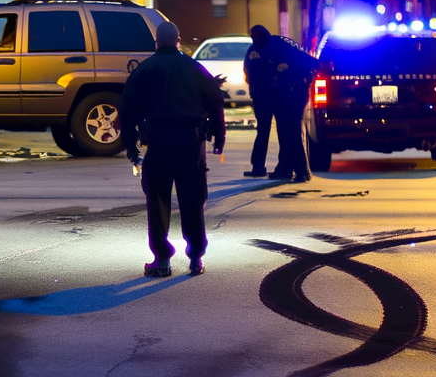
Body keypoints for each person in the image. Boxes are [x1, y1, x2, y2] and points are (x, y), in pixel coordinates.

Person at [119, 20, 225, 277]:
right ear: (178, 41)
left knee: (157, 200)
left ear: (156, 42)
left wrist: (132, 150)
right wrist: (219, 139)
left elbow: (127, 111)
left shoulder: (145, 69)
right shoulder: (195, 68)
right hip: (191, 142)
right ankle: (195, 258)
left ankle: (162, 260)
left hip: (159, 141)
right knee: (192, 200)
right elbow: (215, 103)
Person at [244, 24, 319, 183]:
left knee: (292, 131)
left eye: (257, 36)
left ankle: (301, 171)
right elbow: (253, 74)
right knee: (285, 132)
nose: (254, 39)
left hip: (293, 93)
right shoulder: (255, 51)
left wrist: (298, 85)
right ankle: (285, 168)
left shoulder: (281, 45)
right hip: (277, 96)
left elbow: (312, 64)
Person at [242, 25, 276, 178]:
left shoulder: (252, 51)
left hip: (262, 95)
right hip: (268, 95)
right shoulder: (267, 49)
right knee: (265, 131)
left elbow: (247, 72)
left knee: (263, 131)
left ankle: (259, 166)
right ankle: (259, 166)